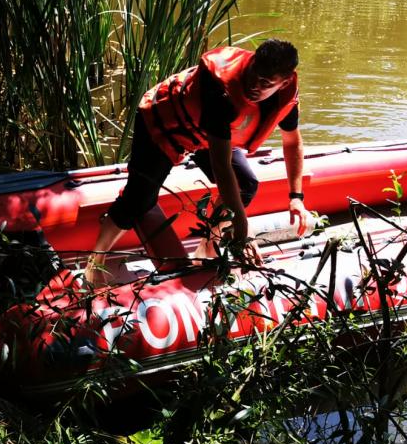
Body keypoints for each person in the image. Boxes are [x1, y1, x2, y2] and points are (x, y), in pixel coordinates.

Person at [85, 39, 309, 286]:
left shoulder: (286, 96)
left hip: (207, 135)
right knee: (139, 199)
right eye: (253, 74)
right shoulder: (221, 91)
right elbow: (222, 166)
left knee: (246, 184)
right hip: (164, 121)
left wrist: (296, 197)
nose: (254, 85)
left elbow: (292, 142)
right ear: (252, 61)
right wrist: (241, 228)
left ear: (284, 83)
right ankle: (94, 263)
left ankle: (207, 249)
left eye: (265, 83)